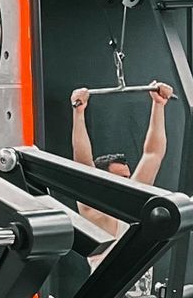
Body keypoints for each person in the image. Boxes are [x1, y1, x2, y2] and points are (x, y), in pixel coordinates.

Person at [69, 80, 173, 239]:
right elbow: (82, 165)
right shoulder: (96, 214)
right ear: (104, 183)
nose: (129, 183)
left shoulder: (133, 204)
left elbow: (153, 154)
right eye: (122, 179)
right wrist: (78, 112)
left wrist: (158, 105)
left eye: (128, 178)